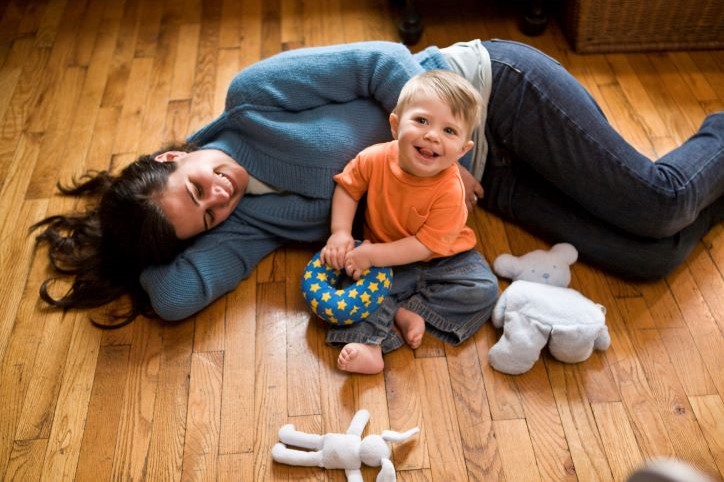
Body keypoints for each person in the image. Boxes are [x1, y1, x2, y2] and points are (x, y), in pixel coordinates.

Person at [32, 40, 723, 328]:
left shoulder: (253, 101)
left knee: (659, 202)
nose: (218, 198)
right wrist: (132, 247)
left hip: (481, 94)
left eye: (194, 187)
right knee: (650, 254)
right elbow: (176, 296)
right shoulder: (246, 223)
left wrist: (435, 155)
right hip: (482, 182)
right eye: (205, 219)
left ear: (176, 152)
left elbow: (382, 59)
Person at [318, 70, 497, 374]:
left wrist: (372, 255)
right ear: (395, 124)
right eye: (422, 121)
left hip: (444, 259)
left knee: (483, 288)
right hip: (386, 258)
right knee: (352, 288)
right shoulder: (373, 159)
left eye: (449, 131)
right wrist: (340, 233)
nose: (432, 136)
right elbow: (348, 188)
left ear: (462, 151)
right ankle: (371, 345)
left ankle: (409, 311)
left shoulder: (450, 191)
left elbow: (424, 247)